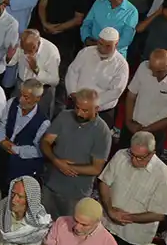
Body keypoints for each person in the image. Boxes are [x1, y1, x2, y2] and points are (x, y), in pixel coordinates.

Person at [40, 89, 113, 219]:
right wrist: (56, 161)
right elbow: (46, 141)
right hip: (50, 185)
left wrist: (68, 168)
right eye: (77, 108)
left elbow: (96, 168)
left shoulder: (102, 132)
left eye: (85, 110)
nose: (79, 113)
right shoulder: (64, 116)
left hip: (76, 194)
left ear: (96, 108)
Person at [98, 132, 167, 245]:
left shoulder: (163, 175)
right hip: (106, 225)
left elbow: (159, 213)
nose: (133, 160)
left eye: (140, 157)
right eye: (132, 154)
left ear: (152, 154)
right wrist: (110, 210)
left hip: (133, 237)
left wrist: (126, 217)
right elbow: (104, 182)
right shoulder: (121, 155)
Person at [0, 80, 49, 183]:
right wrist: (2, 140)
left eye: (26, 97)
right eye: (21, 95)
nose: (21, 99)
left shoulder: (43, 122)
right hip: (1, 160)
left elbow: (39, 150)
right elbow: (1, 124)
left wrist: (15, 149)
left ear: (37, 98)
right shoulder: (11, 103)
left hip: (21, 169)